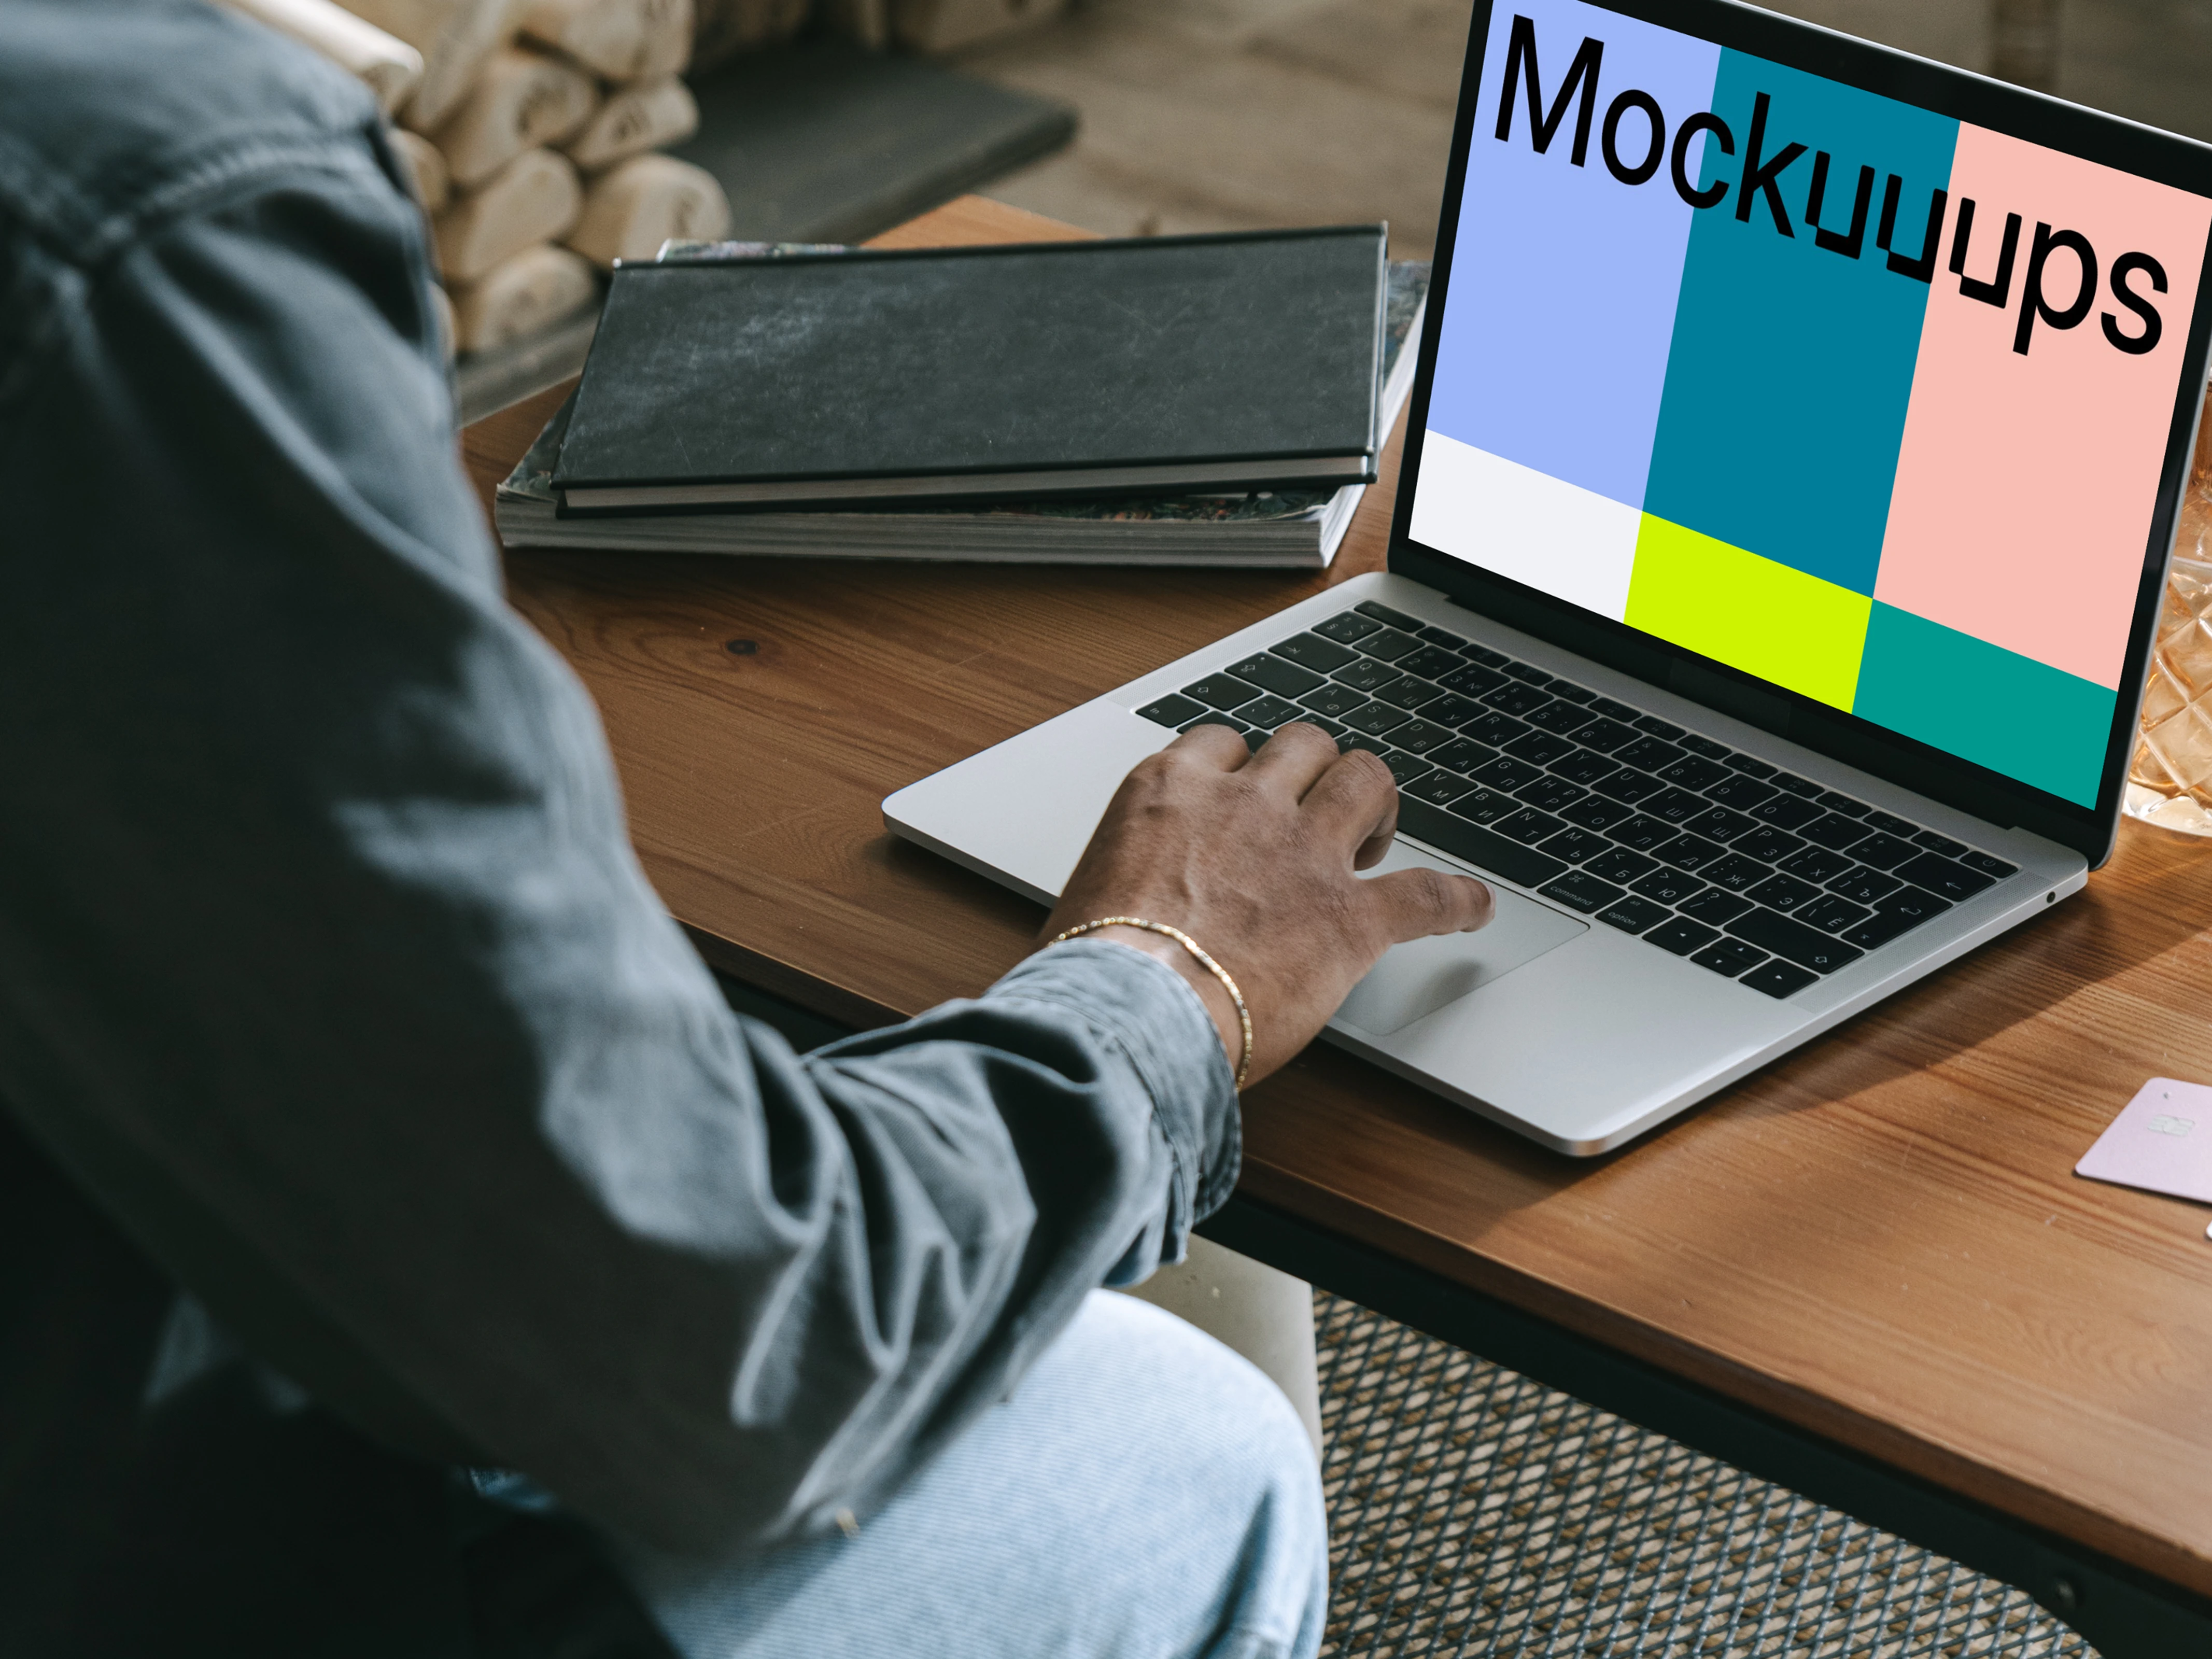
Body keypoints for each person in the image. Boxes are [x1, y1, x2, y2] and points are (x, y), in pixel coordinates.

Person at [0, 2, 1495, 1654]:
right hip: (166, 1543)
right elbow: (734, 1349)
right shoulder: (134, 211)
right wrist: (1170, 979)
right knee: (1191, 1454)